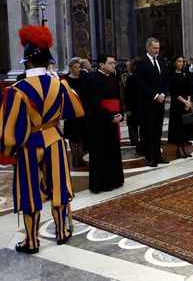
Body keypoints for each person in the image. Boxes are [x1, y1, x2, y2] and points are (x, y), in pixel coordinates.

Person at [0, 25, 84, 254]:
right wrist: (58, 83)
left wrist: (8, 149)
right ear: (48, 63)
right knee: (59, 186)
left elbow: (10, 126)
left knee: (29, 190)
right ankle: (61, 232)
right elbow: (75, 110)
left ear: (27, 63)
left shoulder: (16, 90)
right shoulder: (61, 84)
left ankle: (31, 241)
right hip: (54, 139)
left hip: (29, 143)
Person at [85, 54, 124, 193]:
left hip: (113, 119)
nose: (114, 65)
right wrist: (109, 117)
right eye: (111, 63)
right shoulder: (92, 79)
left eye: (114, 63)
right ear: (102, 65)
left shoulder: (113, 78)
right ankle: (101, 183)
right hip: (99, 121)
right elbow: (94, 103)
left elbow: (119, 98)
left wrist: (120, 114)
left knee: (113, 150)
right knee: (101, 152)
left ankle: (115, 179)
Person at [135, 37, 169, 167]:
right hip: (147, 102)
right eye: (154, 48)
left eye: (158, 48)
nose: (157, 50)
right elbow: (141, 83)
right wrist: (155, 95)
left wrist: (163, 94)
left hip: (160, 102)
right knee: (147, 130)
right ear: (148, 48)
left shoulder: (161, 60)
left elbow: (166, 79)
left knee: (157, 129)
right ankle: (150, 157)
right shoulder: (142, 63)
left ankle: (158, 155)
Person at [168, 55, 193, 158]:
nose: (181, 63)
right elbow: (173, 91)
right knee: (178, 127)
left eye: (182, 61)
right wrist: (184, 101)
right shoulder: (171, 75)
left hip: (186, 104)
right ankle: (179, 149)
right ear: (175, 63)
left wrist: (188, 101)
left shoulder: (186, 73)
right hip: (177, 104)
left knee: (186, 126)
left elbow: (190, 88)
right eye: (179, 61)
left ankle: (185, 147)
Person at [62, 57, 87, 167]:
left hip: (82, 111)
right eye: (75, 67)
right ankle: (75, 158)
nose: (78, 69)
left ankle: (81, 158)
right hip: (71, 112)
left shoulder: (82, 79)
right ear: (70, 68)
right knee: (72, 137)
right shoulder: (65, 80)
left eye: (79, 67)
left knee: (81, 136)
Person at [124, 57, 141, 154]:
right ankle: (139, 145)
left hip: (138, 106)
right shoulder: (131, 78)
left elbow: (128, 95)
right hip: (136, 106)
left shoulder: (133, 77)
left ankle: (139, 145)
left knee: (135, 127)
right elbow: (128, 95)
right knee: (134, 127)